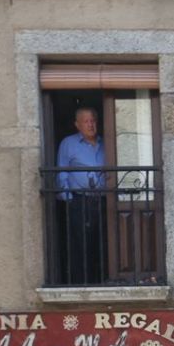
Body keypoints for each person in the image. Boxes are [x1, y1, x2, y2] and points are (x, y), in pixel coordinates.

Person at [55, 107, 107, 285]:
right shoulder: (68, 144)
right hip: (79, 200)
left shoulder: (105, 144)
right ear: (77, 125)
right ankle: (81, 282)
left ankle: (103, 279)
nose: (91, 124)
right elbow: (61, 172)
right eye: (86, 121)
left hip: (103, 200)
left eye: (93, 120)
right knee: (80, 244)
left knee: (102, 242)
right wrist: (69, 200)